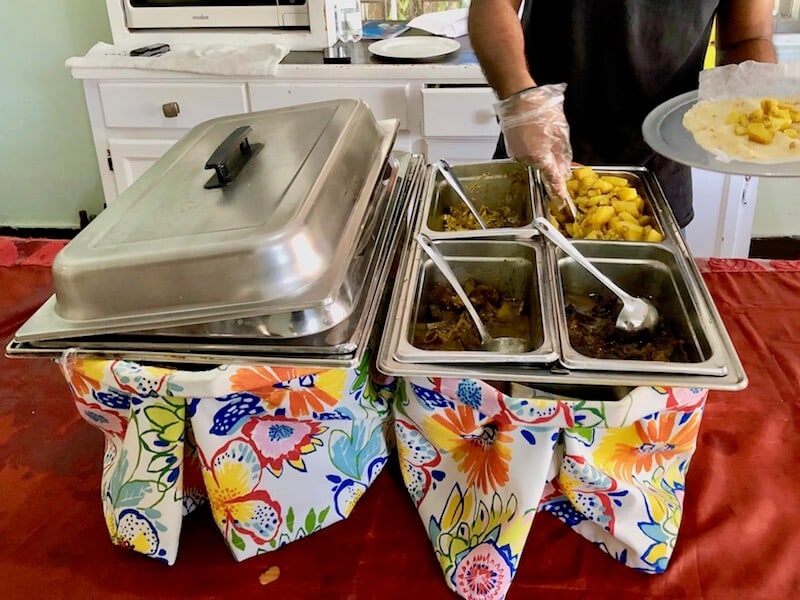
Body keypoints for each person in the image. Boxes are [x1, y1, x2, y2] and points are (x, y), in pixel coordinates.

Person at [468, 0, 777, 228]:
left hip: (657, 177)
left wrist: (752, 105)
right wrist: (521, 101)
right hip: (538, 148)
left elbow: (748, 37)